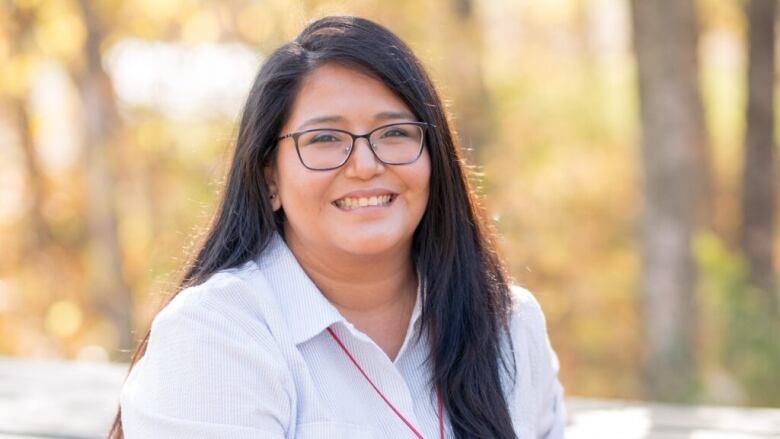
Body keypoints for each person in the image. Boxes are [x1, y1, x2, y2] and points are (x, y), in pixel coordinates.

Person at [111, 15, 565, 439]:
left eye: (395, 133)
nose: (366, 165)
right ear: (270, 178)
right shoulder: (215, 336)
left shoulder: (508, 324)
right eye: (325, 139)